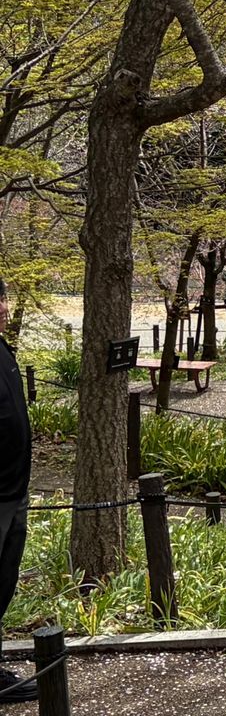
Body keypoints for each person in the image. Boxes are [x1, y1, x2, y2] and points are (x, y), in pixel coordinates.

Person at [0, 277, 35, 703]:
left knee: (3, 581)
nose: (4, 307)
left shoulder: (4, 351)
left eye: (3, 298)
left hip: (14, 492)